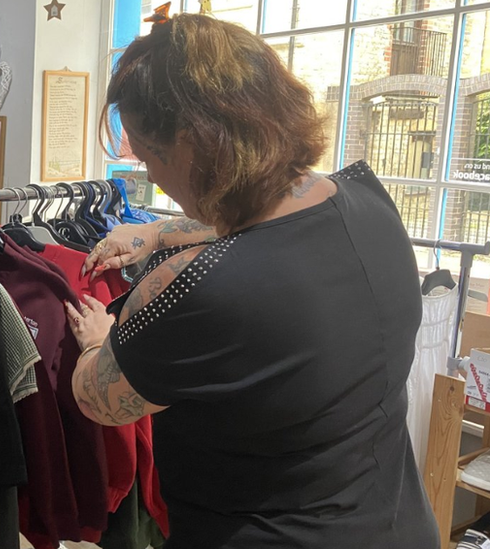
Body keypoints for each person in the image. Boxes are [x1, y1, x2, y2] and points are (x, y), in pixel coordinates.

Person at [68, 13, 439, 549]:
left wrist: (98, 340)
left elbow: (99, 401)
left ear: (192, 143)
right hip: (399, 524)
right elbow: (271, 220)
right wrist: (162, 231)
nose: (149, 175)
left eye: (150, 155)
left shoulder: (202, 289)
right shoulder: (365, 200)